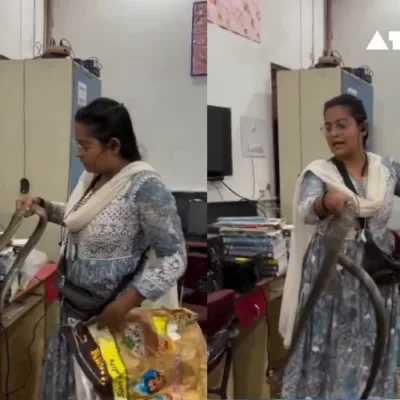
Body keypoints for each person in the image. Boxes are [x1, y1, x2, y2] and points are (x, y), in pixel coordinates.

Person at [16, 97, 187, 399]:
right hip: (74, 314)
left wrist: (125, 304)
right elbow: (78, 219)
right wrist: (43, 206)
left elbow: (175, 257)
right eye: (77, 144)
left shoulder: (145, 187)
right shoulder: (93, 178)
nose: (78, 153)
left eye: (85, 146)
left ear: (114, 145)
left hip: (111, 322)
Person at [279, 93, 398, 398]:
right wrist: (325, 202)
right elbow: (305, 209)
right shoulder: (321, 173)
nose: (333, 134)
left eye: (341, 125)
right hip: (333, 279)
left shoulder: (386, 171)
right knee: (334, 351)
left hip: (377, 277)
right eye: (328, 127)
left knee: (371, 350)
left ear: (363, 128)